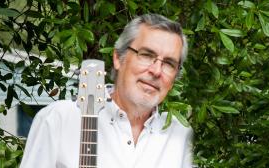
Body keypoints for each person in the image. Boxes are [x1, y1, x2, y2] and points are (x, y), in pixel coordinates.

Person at [20, 13, 192, 168]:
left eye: (169, 63)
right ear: (118, 58)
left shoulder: (180, 135)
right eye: (146, 55)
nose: (156, 71)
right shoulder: (59, 119)